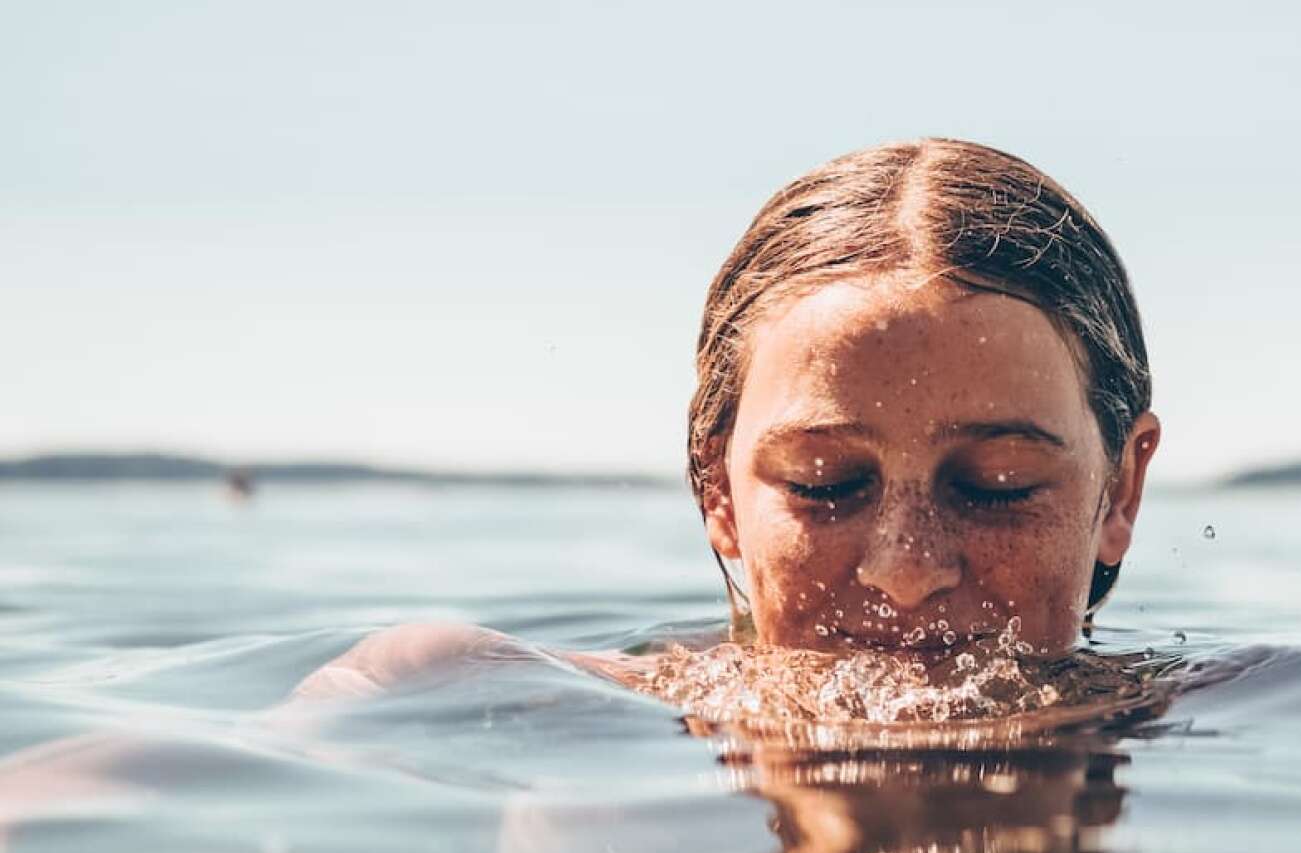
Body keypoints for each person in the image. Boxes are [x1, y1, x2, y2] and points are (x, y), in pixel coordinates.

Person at [292, 138, 1164, 711]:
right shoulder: (473, 693)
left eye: (995, 484)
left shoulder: (1235, 716)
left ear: (1120, 490)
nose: (906, 569)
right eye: (825, 484)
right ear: (718, 492)